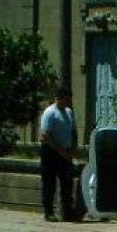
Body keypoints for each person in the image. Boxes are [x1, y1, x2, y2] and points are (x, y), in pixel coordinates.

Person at [40, 86, 77, 222]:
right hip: (51, 152)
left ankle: (67, 211)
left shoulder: (68, 112)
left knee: (67, 183)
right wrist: (60, 150)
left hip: (65, 153)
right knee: (49, 183)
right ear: (59, 99)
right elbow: (44, 136)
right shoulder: (50, 113)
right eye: (66, 99)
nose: (68, 102)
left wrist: (72, 148)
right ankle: (49, 212)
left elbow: (72, 131)